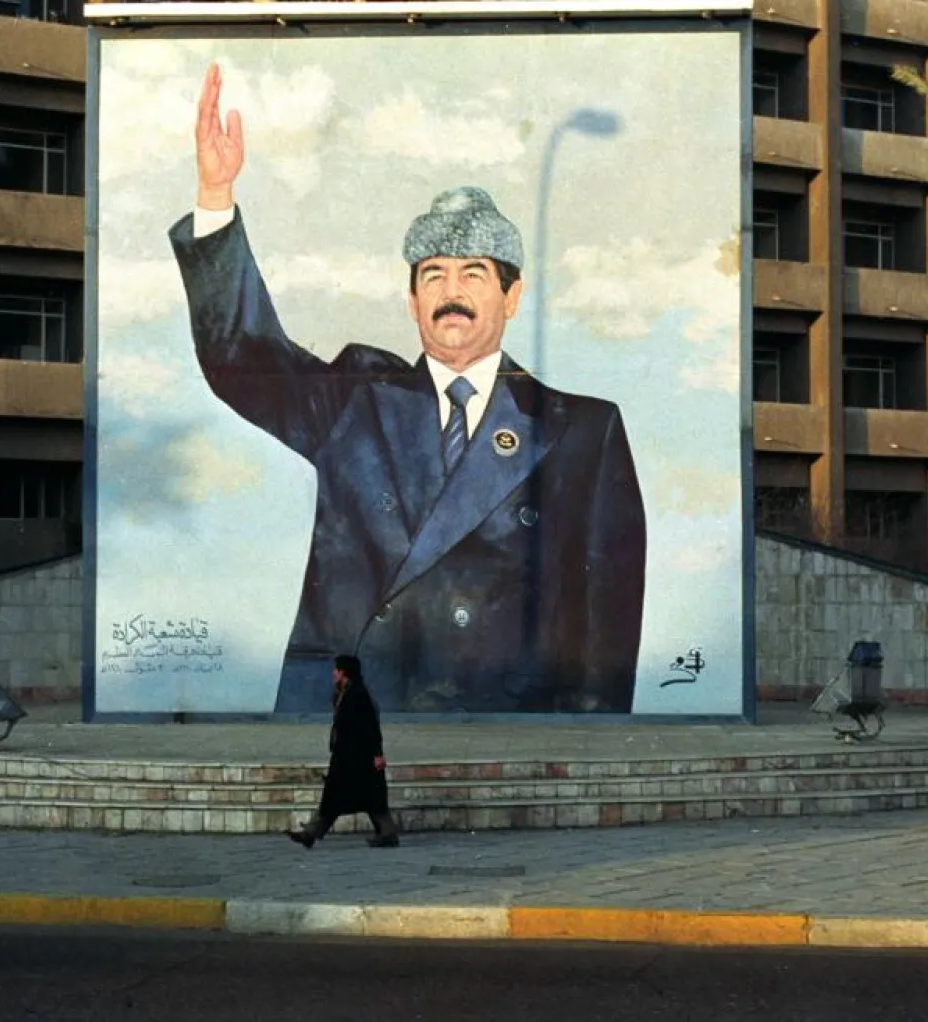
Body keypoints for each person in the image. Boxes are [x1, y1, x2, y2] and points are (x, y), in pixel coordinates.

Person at [168, 63, 648, 716]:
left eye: (473, 274)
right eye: (433, 275)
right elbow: (240, 358)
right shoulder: (356, 401)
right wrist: (215, 194)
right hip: (349, 713)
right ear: (412, 300)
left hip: (498, 725)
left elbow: (604, 631)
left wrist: (585, 748)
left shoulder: (580, 431)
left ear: (511, 296)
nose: (452, 292)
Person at [289, 655, 400, 849]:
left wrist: (377, 754)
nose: (334, 673)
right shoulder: (345, 692)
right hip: (346, 757)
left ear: (344, 672)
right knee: (336, 797)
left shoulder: (358, 694)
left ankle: (387, 834)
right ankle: (311, 833)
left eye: (337, 670)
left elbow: (370, 727)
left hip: (359, 758)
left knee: (369, 797)